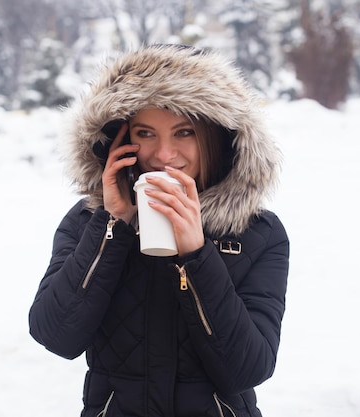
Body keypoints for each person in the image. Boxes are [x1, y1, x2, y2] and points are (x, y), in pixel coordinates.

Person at [29, 44, 289, 417]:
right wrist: (112, 224)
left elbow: (247, 368)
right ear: (122, 141)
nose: (164, 155)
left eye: (184, 132)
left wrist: (197, 255)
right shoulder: (89, 221)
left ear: (216, 137)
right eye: (146, 133)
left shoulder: (256, 233)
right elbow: (55, 335)